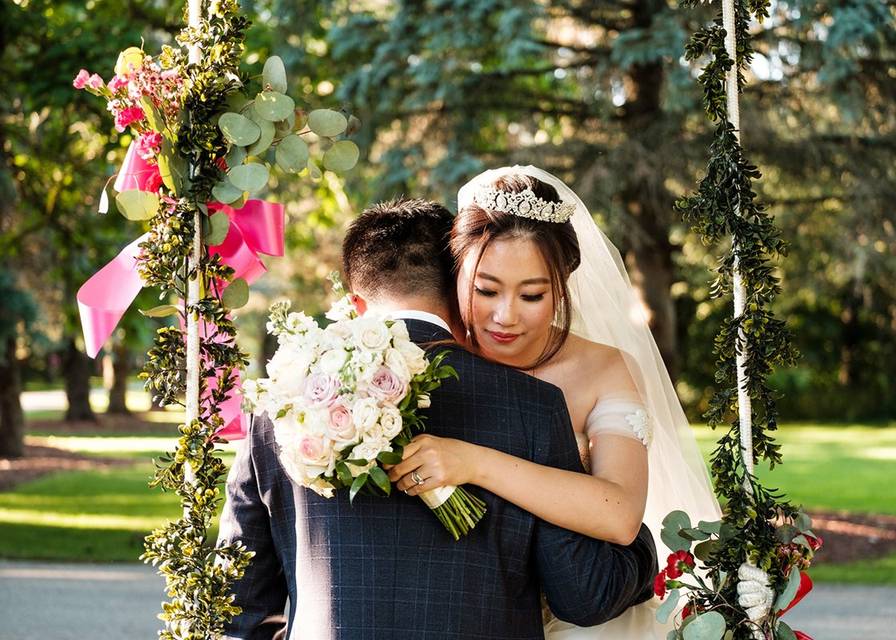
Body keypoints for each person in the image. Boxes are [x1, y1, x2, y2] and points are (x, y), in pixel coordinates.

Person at [217, 197, 659, 639]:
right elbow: (583, 593)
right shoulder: (535, 405)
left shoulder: (282, 401)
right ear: (460, 286)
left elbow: (238, 604)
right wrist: (642, 550)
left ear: (355, 302)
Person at [387, 168, 723, 639]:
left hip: (575, 616)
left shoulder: (602, 369)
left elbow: (622, 513)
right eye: (485, 290)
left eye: (532, 295)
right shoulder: (416, 361)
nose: (505, 316)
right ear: (457, 273)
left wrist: (473, 462)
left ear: (562, 284)